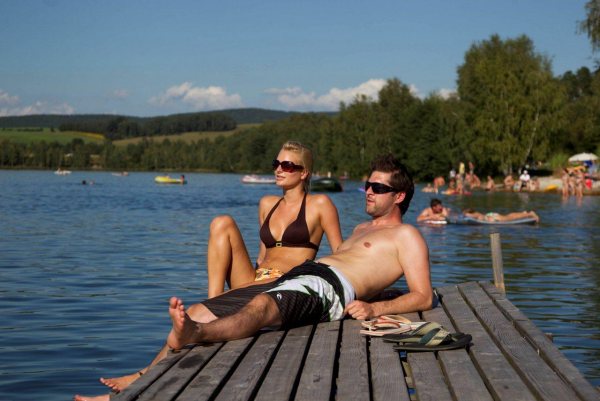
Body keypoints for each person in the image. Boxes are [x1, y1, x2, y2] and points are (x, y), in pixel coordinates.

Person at [74, 154, 434, 401]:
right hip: (300, 276)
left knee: (261, 307)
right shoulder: (359, 228)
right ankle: (138, 382)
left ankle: (194, 336)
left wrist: (373, 307)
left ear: (399, 196)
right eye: (367, 186)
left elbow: (424, 296)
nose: (368, 191)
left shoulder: (408, 236)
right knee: (199, 308)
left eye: (379, 188)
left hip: (326, 289)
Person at [205, 141, 343, 298]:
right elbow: (262, 256)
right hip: (256, 279)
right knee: (221, 222)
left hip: (286, 283)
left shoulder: (320, 203)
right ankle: (213, 300)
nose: (278, 170)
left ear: (304, 173)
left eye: (287, 165)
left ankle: (220, 304)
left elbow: (340, 253)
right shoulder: (267, 204)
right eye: (276, 164)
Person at [463, 209, 539, 223]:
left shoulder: (474, 214)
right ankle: (524, 213)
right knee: (509, 216)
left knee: (509, 217)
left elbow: (468, 215)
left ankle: (530, 214)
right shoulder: (476, 214)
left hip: (493, 217)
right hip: (490, 216)